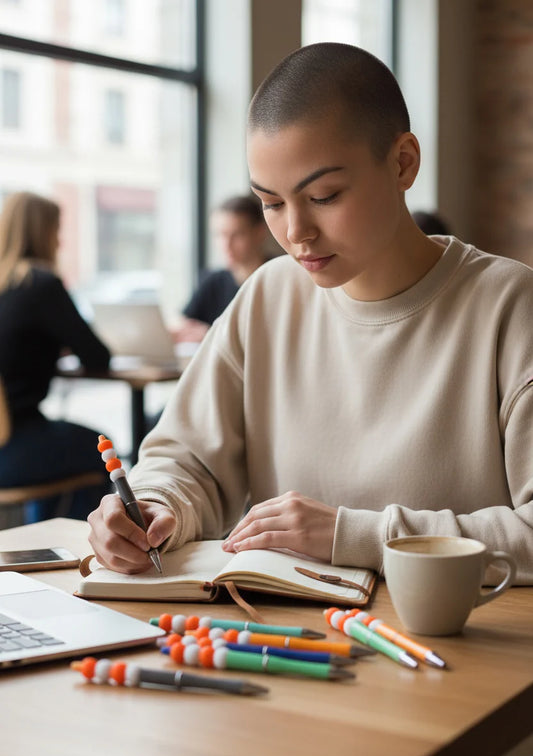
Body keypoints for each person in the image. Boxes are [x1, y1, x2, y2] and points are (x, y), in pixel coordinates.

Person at [88, 43, 533, 588]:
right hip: (290, 644)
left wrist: (354, 535)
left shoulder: (510, 306)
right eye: (271, 204)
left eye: (323, 195)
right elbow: (186, 460)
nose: (295, 232)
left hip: (461, 651)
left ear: (403, 163)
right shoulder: (268, 297)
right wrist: (156, 507)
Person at [0, 191, 111, 522]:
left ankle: (46, 547)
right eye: (56, 230)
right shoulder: (41, 284)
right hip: (11, 446)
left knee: (67, 445)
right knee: (103, 450)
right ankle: (75, 555)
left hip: (7, 441)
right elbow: (97, 356)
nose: (60, 242)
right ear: (43, 232)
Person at [171, 194, 271, 343]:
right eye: (220, 235)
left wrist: (211, 335)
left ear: (259, 233)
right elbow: (182, 324)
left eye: (237, 235)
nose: (226, 245)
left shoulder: (279, 277)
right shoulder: (213, 281)